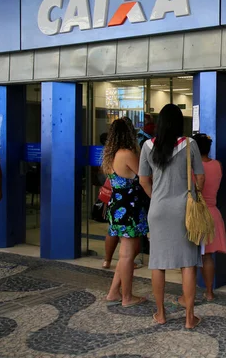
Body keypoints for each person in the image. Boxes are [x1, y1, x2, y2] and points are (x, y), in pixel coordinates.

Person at [139, 104, 204, 329]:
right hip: (183, 211)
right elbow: (200, 178)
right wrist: (194, 194)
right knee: (188, 263)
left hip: (157, 210)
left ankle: (161, 314)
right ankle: (189, 318)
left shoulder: (147, 146)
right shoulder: (190, 144)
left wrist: (156, 196)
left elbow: (143, 180)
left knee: (158, 263)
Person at [103, 119, 150, 308]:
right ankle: (127, 297)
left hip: (118, 207)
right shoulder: (127, 154)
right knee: (127, 255)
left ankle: (114, 292)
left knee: (126, 253)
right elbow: (145, 175)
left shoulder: (110, 155)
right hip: (129, 209)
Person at [193, 133, 226, 301]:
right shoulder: (218, 165)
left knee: (191, 256)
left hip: (194, 214)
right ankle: (209, 292)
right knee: (207, 256)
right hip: (213, 213)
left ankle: (189, 292)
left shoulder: (192, 168)